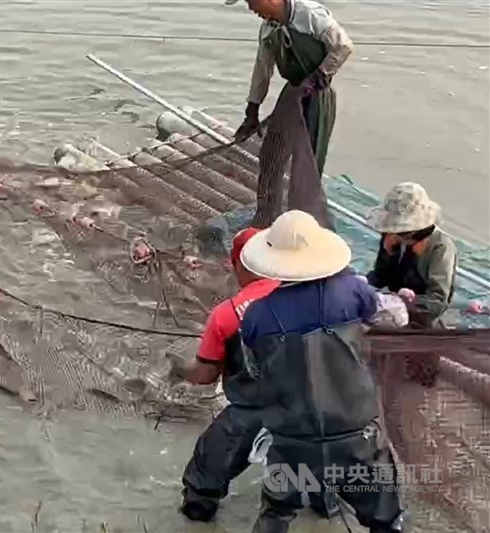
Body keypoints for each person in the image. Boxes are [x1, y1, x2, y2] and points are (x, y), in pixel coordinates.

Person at [236, 210, 407, 533]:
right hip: (357, 437)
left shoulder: (257, 315)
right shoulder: (353, 291)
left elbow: (255, 370)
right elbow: (397, 318)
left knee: (276, 512)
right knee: (386, 518)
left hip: (292, 439)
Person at [170, 228, 339, 523]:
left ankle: (198, 513)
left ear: (237, 263)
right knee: (319, 485)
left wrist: (178, 366)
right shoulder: (311, 294)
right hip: (313, 408)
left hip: (252, 411)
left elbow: (205, 374)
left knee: (204, 479)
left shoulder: (226, 314)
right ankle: (326, 505)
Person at [226, 0, 353, 177]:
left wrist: (318, 76)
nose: (251, 8)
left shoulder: (311, 16)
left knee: (307, 158)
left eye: (252, 2)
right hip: (292, 91)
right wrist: (252, 110)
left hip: (317, 95)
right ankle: (271, 201)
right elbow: (262, 70)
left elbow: (343, 47)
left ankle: (304, 202)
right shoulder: (268, 29)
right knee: (273, 152)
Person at [364, 182, 458, 328]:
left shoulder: (440, 247)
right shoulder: (391, 237)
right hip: (390, 310)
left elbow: (438, 301)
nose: (396, 235)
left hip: (421, 320)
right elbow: (380, 275)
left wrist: (402, 304)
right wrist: (361, 286)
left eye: (403, 232)